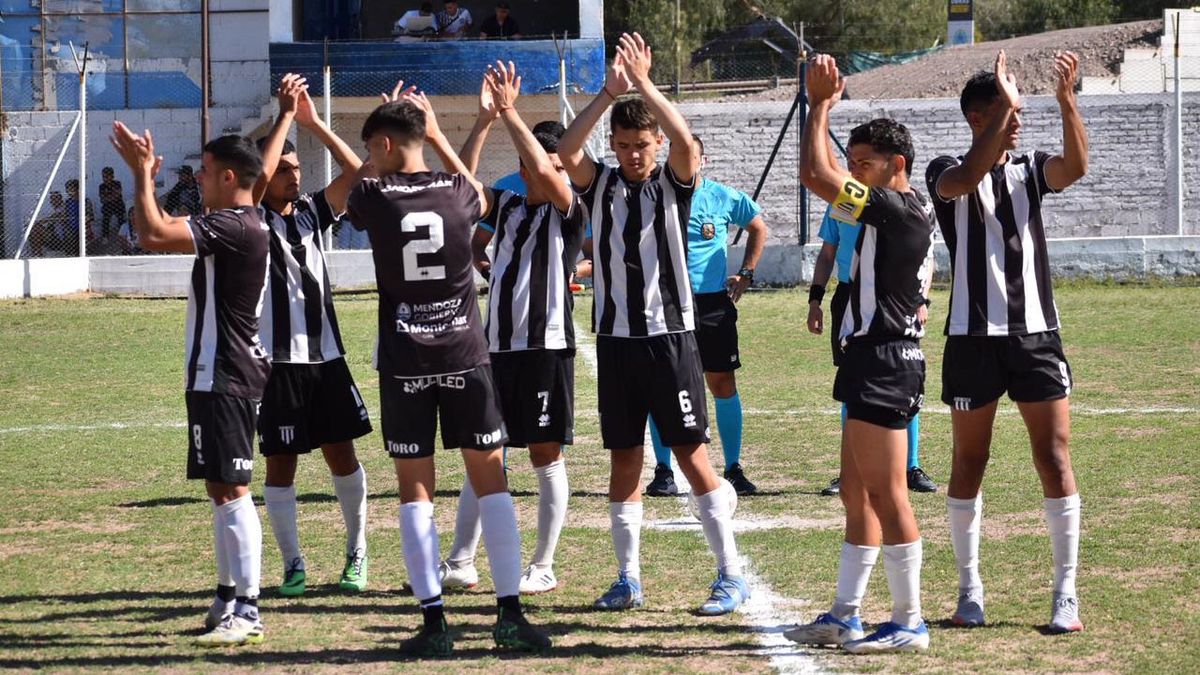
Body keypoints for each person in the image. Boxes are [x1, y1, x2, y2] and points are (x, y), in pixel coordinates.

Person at [346, 80, 551, 656]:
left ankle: (434, 624)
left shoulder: (376, 194)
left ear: (384, 144)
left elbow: (356, 188)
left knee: (416, 493)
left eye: (371, 146)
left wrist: (399, 131)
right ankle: (509, 615)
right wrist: (442, 131)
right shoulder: (457, 192)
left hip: (405, 360)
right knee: (493, 485)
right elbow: (473, 192)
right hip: (465, 353)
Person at [559, 32, 748, 616]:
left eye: (642, 144)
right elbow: (566, 152)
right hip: (616, 343)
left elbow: (688, 143)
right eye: (623, 145)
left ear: (656, 143)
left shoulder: (674, 182)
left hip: (670, 341)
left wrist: (644, 85)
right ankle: (627, 578)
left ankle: (730, 573)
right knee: (624, 461)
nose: (633, 154)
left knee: (692, 456)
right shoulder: (605, 184)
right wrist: (607, 93)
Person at [108, 88, 286, 644]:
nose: (199, 179)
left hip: (228, 373)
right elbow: (162, 223)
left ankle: (249, 609)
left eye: (205, 172)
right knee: (219, 486)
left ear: (230, 178)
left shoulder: (234, 227)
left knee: (233, 488)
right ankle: (228, 595)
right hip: (216, 373)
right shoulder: (235, 220)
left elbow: (152, 233)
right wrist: (144, 178)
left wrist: (140, 175)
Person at [926, 51, 1087, 634]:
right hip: (971, 340)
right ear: (977, 116)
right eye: (1006, 110)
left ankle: (1065, 593)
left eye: (1018, 110)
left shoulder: (1031, 170)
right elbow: (967, 178)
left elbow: (1074, 167)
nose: (1018, 120)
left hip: (1036, 336)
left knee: (1054, 457)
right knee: (970, 461)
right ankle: (970, 591)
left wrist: (1066, 102)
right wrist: (1009, 106)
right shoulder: (947, 169)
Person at [784, 55, 933, 654]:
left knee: (889, 493)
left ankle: (909, 620)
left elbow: (814, 175)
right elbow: (822, 177)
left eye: (864, 164)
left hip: (888, 361)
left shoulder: (896, 207)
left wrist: (819, 103)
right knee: (855, 490)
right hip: (868, 359)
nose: (854, 173)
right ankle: (845, 614)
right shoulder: (884, 205)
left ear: (896, 167)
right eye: (853, 163)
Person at [431, 62, 583, 596]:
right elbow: (460, 185)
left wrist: (512, 111)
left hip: (545, 347)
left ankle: (542, 564)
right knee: (484, 449)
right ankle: (461, 560)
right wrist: (475, 123)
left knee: (544, 454)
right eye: (532, 162)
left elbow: (550, 178)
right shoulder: (510, 203)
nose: (542, 172)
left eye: (552, 165)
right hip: (494, 348)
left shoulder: (570, 208)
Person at [254, 75, 374, 599]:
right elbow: (254, 184)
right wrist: (282, 119)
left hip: (326, 358)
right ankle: (293, 564)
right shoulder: (251, 218)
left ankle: (357, 553)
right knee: (281, 464)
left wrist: (315, 124)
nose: (293, 177)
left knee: (341, 455)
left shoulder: (311, 214)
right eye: (284, 169)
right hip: (276, 363)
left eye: (297, 169)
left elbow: (360, 172)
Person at [643, 134, 767, 498]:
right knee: (663, 386)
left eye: (690, 156)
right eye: (677, 155)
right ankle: (663, 470)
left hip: (712, 304)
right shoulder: (655, 194)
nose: (684, 161)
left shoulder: (722, 196)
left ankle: (733, 467)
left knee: (722, 384)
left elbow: (758, 225)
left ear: (702, 159)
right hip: (666, 303)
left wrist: (746, 273)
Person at [809, 204, 938, 497]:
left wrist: (921, 299)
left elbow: (926, 256)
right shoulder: (844, 200)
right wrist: (815, 300)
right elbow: (828, 252)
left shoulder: (904, 201)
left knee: (903, 379)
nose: (856, 162)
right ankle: (850, 471)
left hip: (896, 296)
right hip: (849, 296)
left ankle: (911, 467)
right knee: (853, 381)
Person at [62, 178, 95, 255]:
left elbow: (90, 216)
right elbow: (65, 217)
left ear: (77, 189)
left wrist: (83, 222)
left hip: (83, 227)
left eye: (71, 188)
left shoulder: (86, 201)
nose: (69, 191)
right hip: (71, 228)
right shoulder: (67, 202)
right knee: (68, 235)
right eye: (68, 189)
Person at [98, 166, 126, 239]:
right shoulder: (102, 186)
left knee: (121, 220)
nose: (105, 178)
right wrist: (112, 196)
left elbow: (118, 194)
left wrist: (108, 197)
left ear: (112, 176)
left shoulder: (117, 183)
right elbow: (102, 199)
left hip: (118, 205)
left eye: (107, 176)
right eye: (104, 176)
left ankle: (123, 235)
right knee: (105, 221)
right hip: (107, 206)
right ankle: (105, 236)